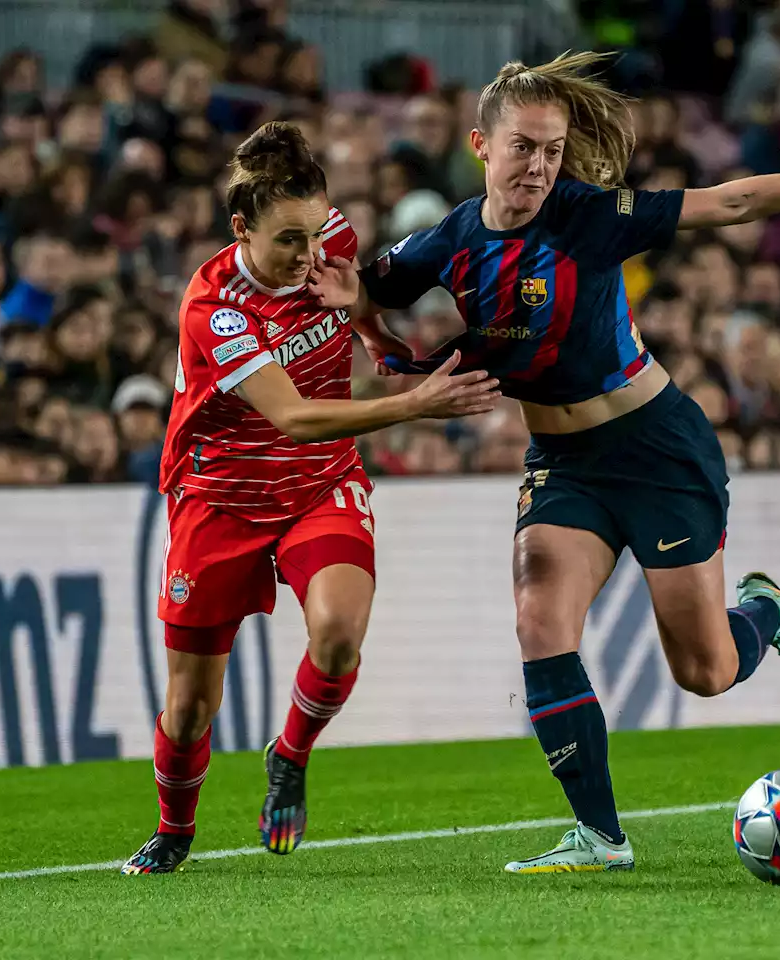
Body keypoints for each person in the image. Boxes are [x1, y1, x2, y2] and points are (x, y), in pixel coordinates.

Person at [312, 52, 780, 873]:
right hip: (564, 462)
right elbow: (371, 288)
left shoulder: (589, 215)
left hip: (656, 449)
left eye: (551, 148)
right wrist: (356, 311)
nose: (539, 165)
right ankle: (602, 837)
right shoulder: (449, 241)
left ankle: (765, 612)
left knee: (707, 672)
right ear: (481, 145)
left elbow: (735, 200)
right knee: (540, 620)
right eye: (523, 148)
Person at [121, 122, 500, 875]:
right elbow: (292, 413)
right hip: (219, 497)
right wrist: (414, 402)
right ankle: (174, 828)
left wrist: (375, 333)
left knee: (336, 637)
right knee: (191, 707)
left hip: (319, 481)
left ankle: (289, 757)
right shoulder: (213, 309)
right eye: (286, 241)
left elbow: (350, 295)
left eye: (314, 233)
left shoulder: (330, 239)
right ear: (241, 229)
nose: (306, 255)